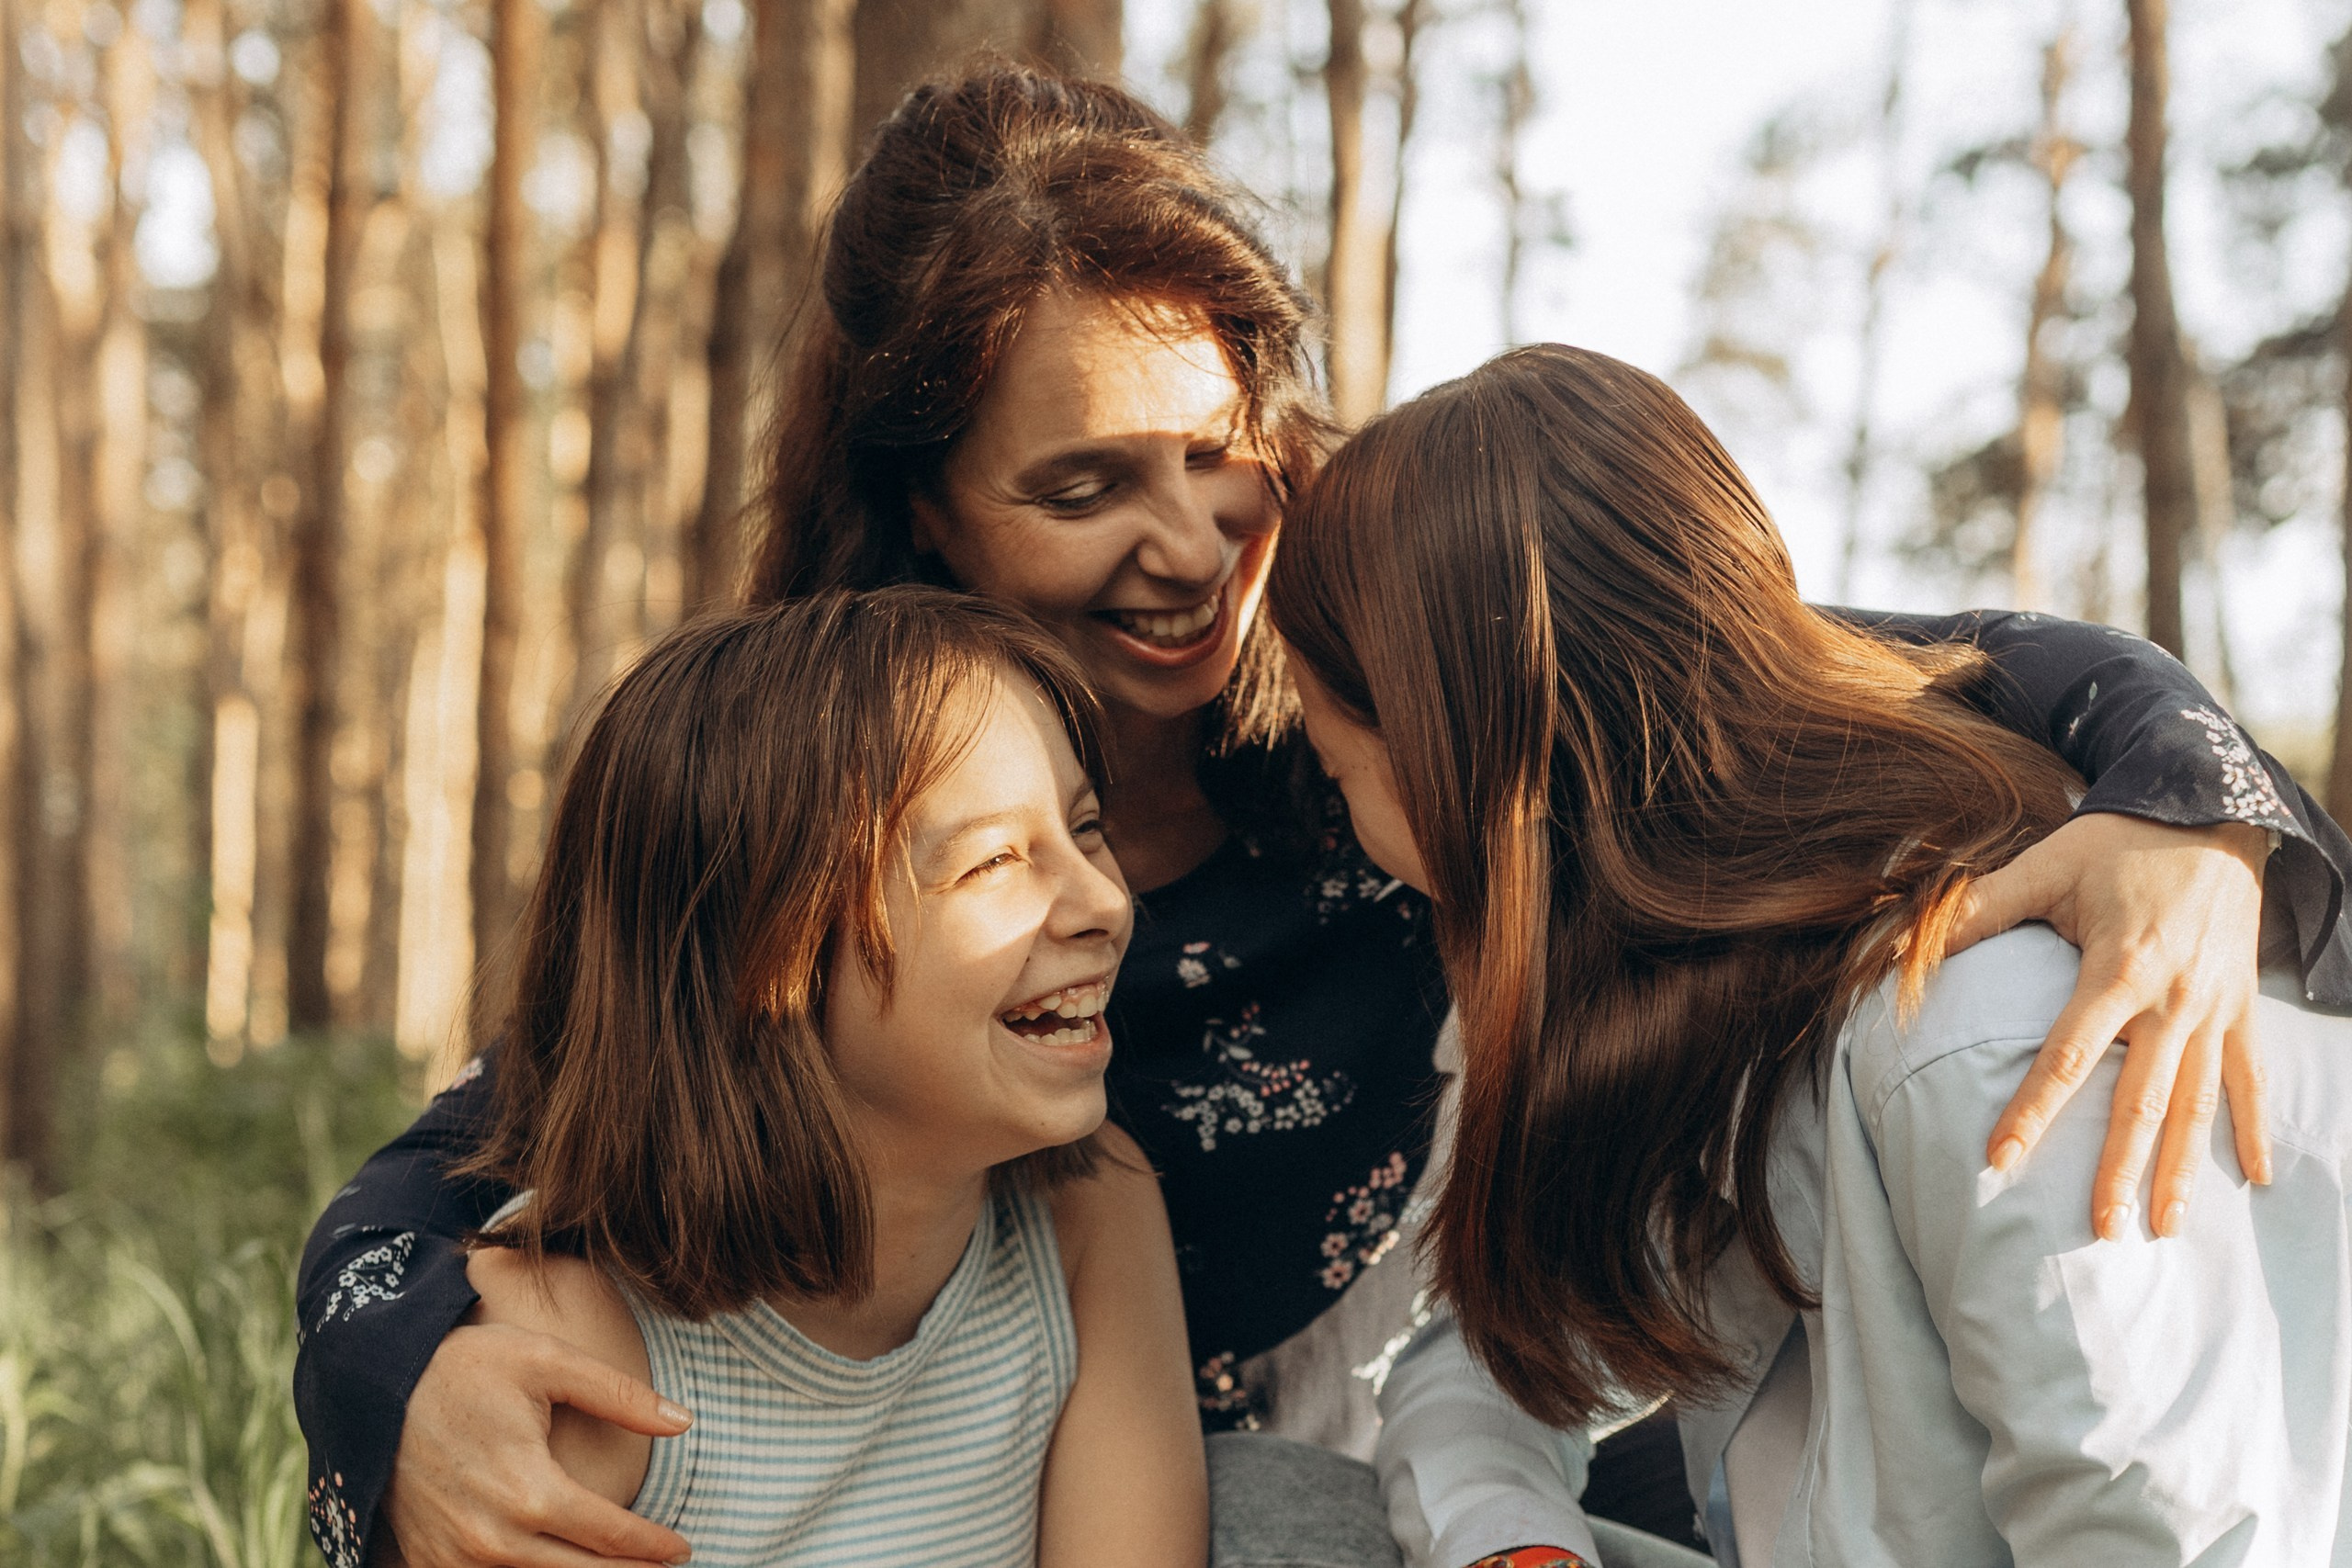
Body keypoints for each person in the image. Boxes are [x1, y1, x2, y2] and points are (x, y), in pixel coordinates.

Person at [294, 67, 2343, 1568]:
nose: (1198, 550)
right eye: (1084, 487)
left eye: (1217, 454)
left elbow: (1888, 661)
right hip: (961, 1455)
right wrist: (399, 1392)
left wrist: (2189, 815)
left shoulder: (1396, 659)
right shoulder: (839, 782)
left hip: (1436, 1430)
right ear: (925, 509)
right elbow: (468, 1154)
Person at [1265, 343, 2352, 1565]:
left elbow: (2160, 1535)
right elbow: (1487, 1349)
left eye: (1338, 762)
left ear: (1446, 757)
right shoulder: (1630, 978)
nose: (1337, 808)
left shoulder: (1985, 1020)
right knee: (1264, 1503)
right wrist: (1514, 1544)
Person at [413, 587, 1201, 1568]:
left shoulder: (1090, 1219)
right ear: (759, 953)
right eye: (993, 861)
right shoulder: (567, 1337)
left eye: (1085, 829)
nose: (1103, 902)